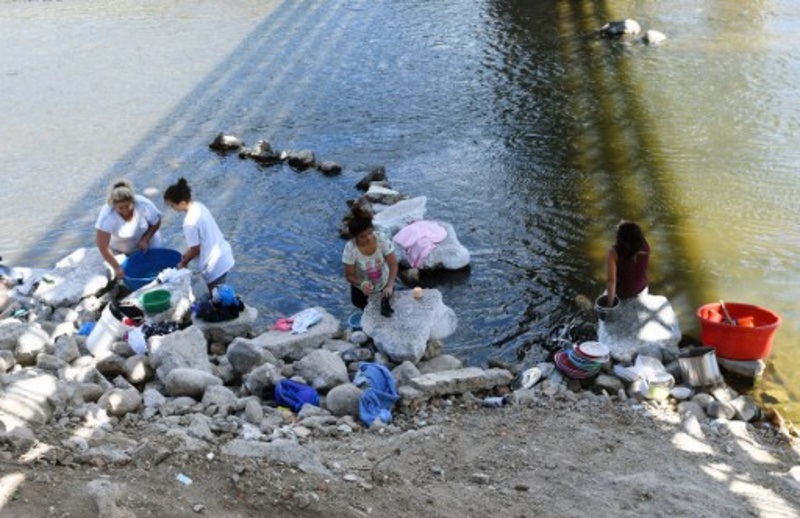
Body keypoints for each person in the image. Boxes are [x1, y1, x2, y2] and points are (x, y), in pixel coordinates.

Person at [163, 177, 234, 293]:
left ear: (181, 203)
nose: (171, 208)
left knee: (216, 297)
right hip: (223, 254)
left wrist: (183, 263)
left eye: (172, 205)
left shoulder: (189, 222)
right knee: (221, 293)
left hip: (215, 264)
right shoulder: (199, 206)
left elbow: (196, 248)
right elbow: (198, 241)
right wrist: (186, 254)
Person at [95, 179, 163, 280]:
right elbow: (102, 246)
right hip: (120, 250)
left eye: (127, 206)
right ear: (114, 206)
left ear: (133, 201)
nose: (125, 210)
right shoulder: (107, 216)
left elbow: (156, 222)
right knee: (128, 275)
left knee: (157, 270)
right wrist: (116, 267)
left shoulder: (144, 204)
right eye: (120, 208)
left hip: (147, 243)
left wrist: (146, 239)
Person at [342, 207, 398, 316]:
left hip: (383, 282)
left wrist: (390, 285)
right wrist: (362, 284)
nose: (368, 238)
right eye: (362, 236)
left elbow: (393, 264)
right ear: (355, 237)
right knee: (365, 309)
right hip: (361, 288)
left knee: (385, 309)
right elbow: (349, 275)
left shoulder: (381, 239)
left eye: (370, 233)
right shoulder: (351, 249)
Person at [605, 220, 649, 306]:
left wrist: (610, 305)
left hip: (623, 294)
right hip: (642, 289)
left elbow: (611, 281)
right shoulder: (645, 244)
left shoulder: (614, 252)